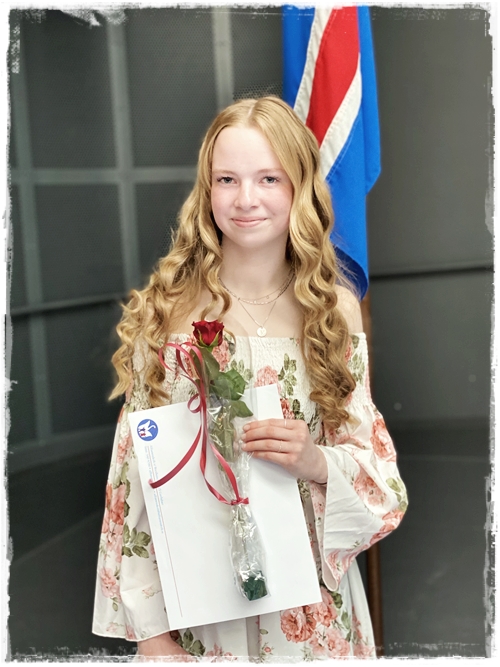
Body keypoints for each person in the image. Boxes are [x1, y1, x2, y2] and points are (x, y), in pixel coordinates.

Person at [92, 96, 407, 660]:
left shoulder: (333, 312)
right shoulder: (166, 314)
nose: (245, 199)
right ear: (207, 189)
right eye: (227, 179)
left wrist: (315, 461)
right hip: (201, 610)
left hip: (312, 612)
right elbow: (133, 482)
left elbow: (379, 477)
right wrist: (151, 633)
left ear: (300, 187)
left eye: (268, 178)